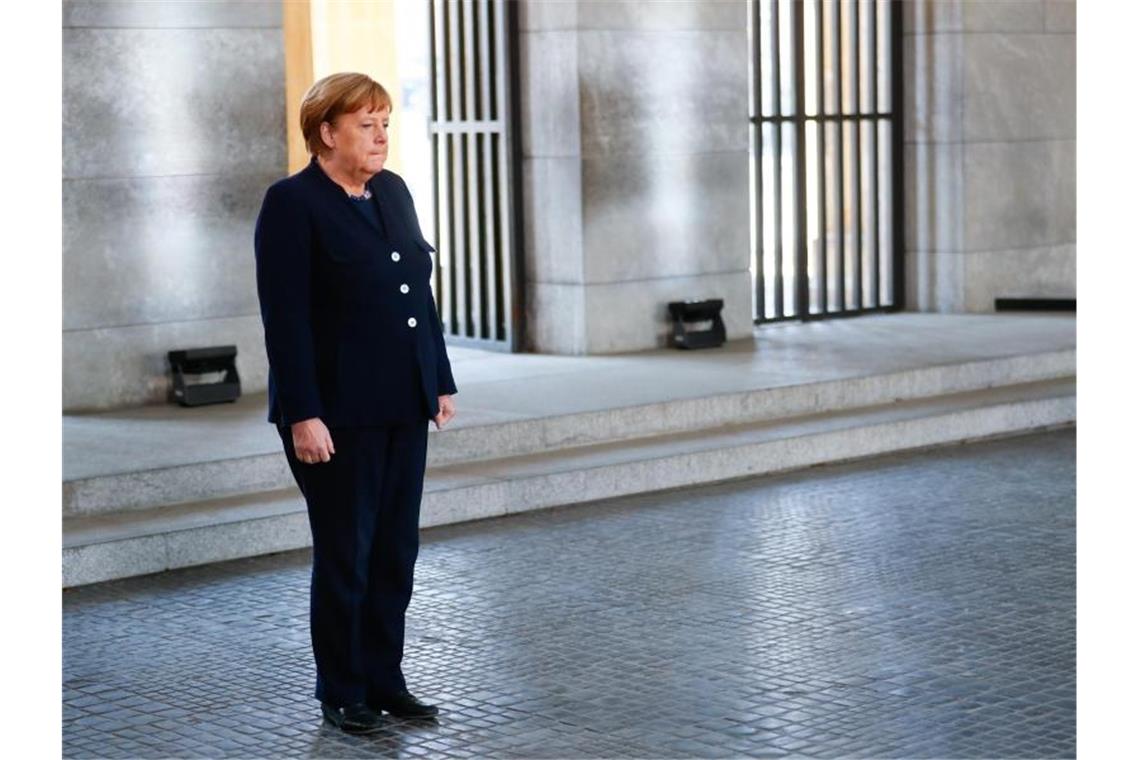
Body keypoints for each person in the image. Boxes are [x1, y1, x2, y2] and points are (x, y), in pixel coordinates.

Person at [254, 72, 457, 734]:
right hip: (335, 416)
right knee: (348, 553)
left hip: (402, 402)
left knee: (395, 549)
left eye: (385, 124)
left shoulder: (391, 192)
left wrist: (439, 379)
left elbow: (416, 294)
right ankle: (342, 690)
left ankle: (385, 680)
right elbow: (286, 321)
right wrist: (303, 413)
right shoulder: (292, 204)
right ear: (326, 133)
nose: (380, 136)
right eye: (366, 125)